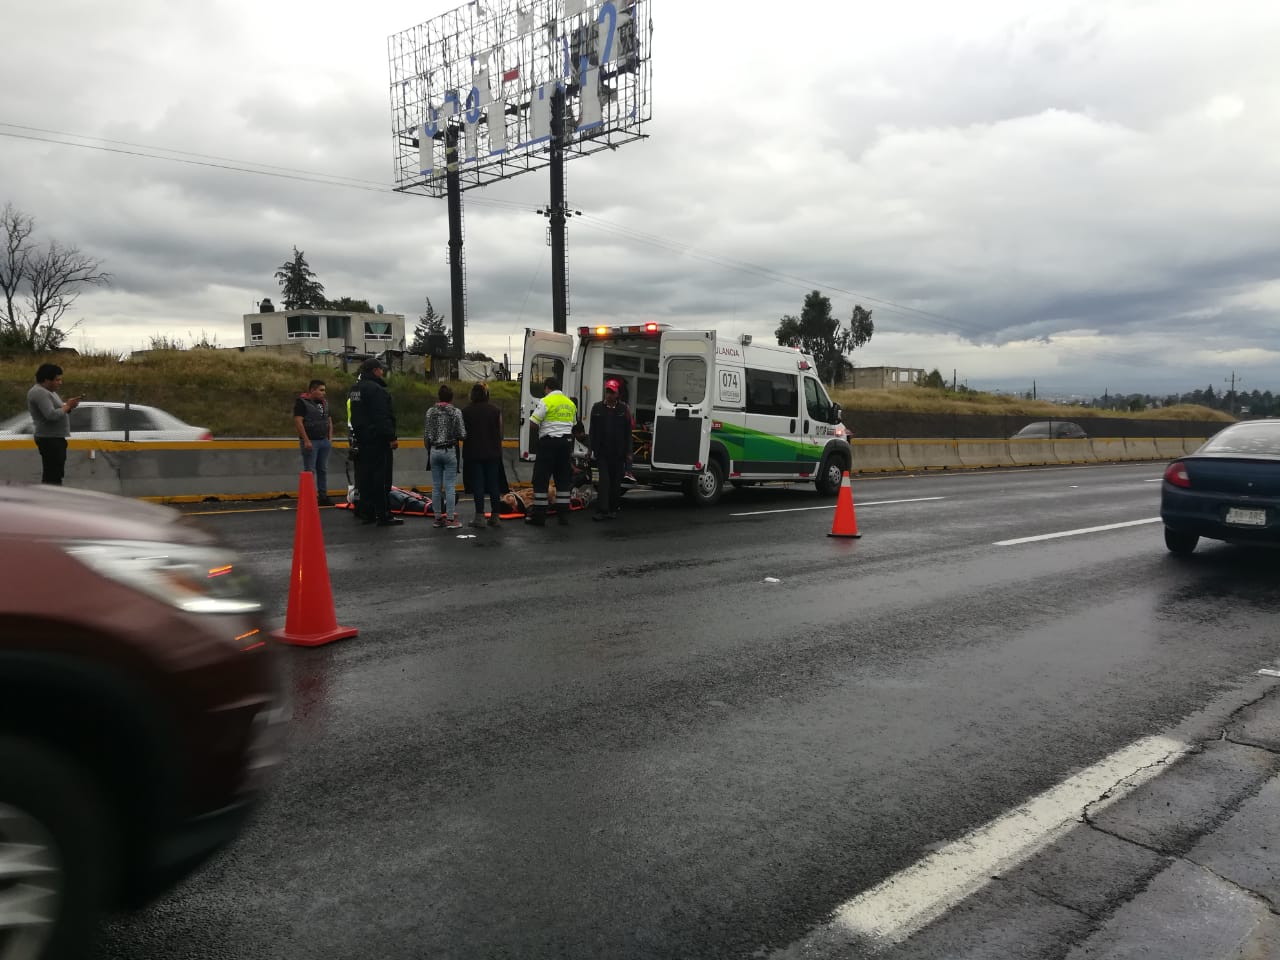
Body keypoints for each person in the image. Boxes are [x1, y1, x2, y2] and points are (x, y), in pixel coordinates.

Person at [348, 358, 402, 527]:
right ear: (374, 370)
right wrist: (391, 437)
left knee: (365, 478)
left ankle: (368, 513)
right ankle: (384, 514)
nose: (382, 372)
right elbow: (382, 416)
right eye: (381, 369)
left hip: (361, 440)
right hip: (377, 440)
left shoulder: (355, 389)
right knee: (382, 478)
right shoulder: (376, 390)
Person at [527, 374, 576, 526]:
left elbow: (533, 422)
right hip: (565, 444)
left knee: (541, 480)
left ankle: (539, 517)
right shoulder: (570, 403)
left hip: (548, 443)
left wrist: (543, 429)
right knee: (562, 480)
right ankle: (563, 516)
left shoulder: (546, 401)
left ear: (547, 388)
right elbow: (573, 424)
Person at [26, 363, 82, 485]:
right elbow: (51, 415)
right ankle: (50, 499)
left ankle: (51, 497)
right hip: (49, 439)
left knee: (55, 473)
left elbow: (58, 411)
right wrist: (68, 406)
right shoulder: (40, 392)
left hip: (54, 438)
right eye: (57, 380)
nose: (60, 382)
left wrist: (68, 406)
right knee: (52, 475)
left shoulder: (49, 391)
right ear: (46, 380)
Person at [589, 378, 633, 520]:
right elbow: (592, 429)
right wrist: (591, 449)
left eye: (612, 392)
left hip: (618, 453)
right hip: (602, 452)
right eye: (607, 391)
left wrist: (628, 452)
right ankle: (603, 510)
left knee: (615, 483)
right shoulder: (597, 408)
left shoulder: (623, 409)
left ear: (617, 394)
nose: (609, 395)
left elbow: (628, 432)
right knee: (604, 482)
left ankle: (613, 509)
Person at [423, 383, 466, 529]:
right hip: (449, 450)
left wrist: (431, 448)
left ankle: (437, 518)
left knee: (436, 487)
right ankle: (450, 518)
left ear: (439, 396)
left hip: (434, 451)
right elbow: (462, 434)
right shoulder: (455, 412)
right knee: (449, 486)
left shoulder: (430, 412)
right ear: (451, 398)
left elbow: (426, 435)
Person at [461, 382, 504, 528]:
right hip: (493, 453)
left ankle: (479, 517)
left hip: (473, 453)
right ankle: (495, 516)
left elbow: (462, 433)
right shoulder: (496, 410)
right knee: (493, 485)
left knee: (478, 485)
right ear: (486, 395)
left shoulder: (466, 411)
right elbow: (501, 433)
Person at [293, 379, 334, 506]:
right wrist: (306, 440)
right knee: (310, 471)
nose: (324, 393)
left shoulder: (324, 403)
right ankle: (310, 497)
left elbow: (329, 420)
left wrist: (329, 438)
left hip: (323, 440)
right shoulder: (302, 403)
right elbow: (299, 422)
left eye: (324, 390)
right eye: (321, 390)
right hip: (311, 440)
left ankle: (323, 496)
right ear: (312, 390)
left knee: (322, 469)